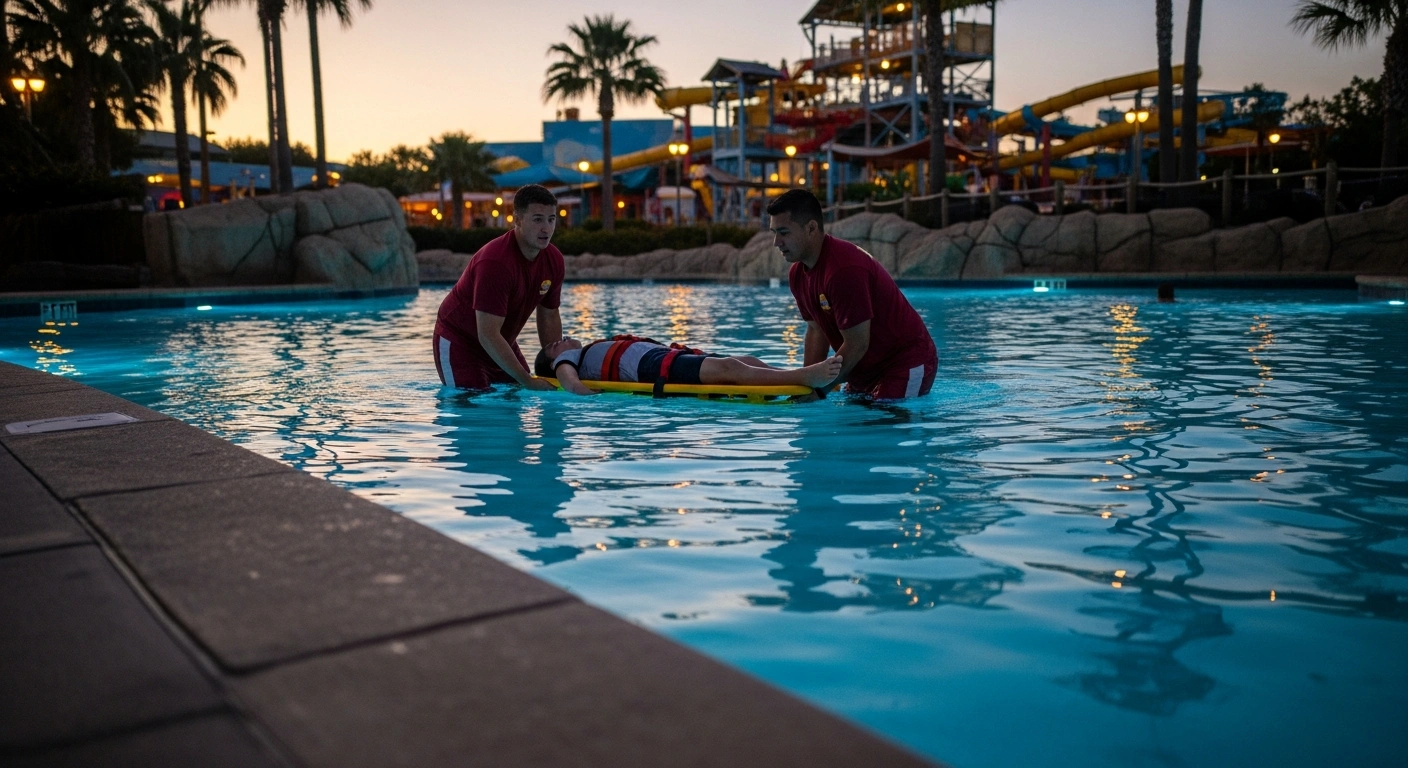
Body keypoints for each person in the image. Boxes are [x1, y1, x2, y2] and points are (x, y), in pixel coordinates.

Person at [766, 189, 938, 400]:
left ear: (811, 228)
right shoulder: (797, 275)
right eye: (773, 233)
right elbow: (816, 330)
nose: (776, 242)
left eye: (783, 233)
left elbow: (858, 344)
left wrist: (820, 390)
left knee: (885, 422)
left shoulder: (843, 269)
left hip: (905, 362)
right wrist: (808, 385)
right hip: (862, 370)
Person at [433, 184, 563, 391]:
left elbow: (549, 316)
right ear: (517, 220)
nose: (546, 228)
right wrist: (528, 380)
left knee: (516, 395)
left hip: (502, 340)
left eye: (551, 219)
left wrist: (559, 367)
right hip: (460, 342)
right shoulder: (496, 263)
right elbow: (487, 334)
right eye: (537, 219)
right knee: (470, 403)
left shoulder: (553, 260)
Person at [534, 336, 842, 396]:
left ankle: (789, 377)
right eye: (553, 346)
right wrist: (578, 390)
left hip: (659, 358)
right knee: (729, 370)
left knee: (738, 363)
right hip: (651, 369)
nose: (560, 341)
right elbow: (567, 378)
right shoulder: (569, 360)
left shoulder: (588, 348)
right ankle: (805, 376)